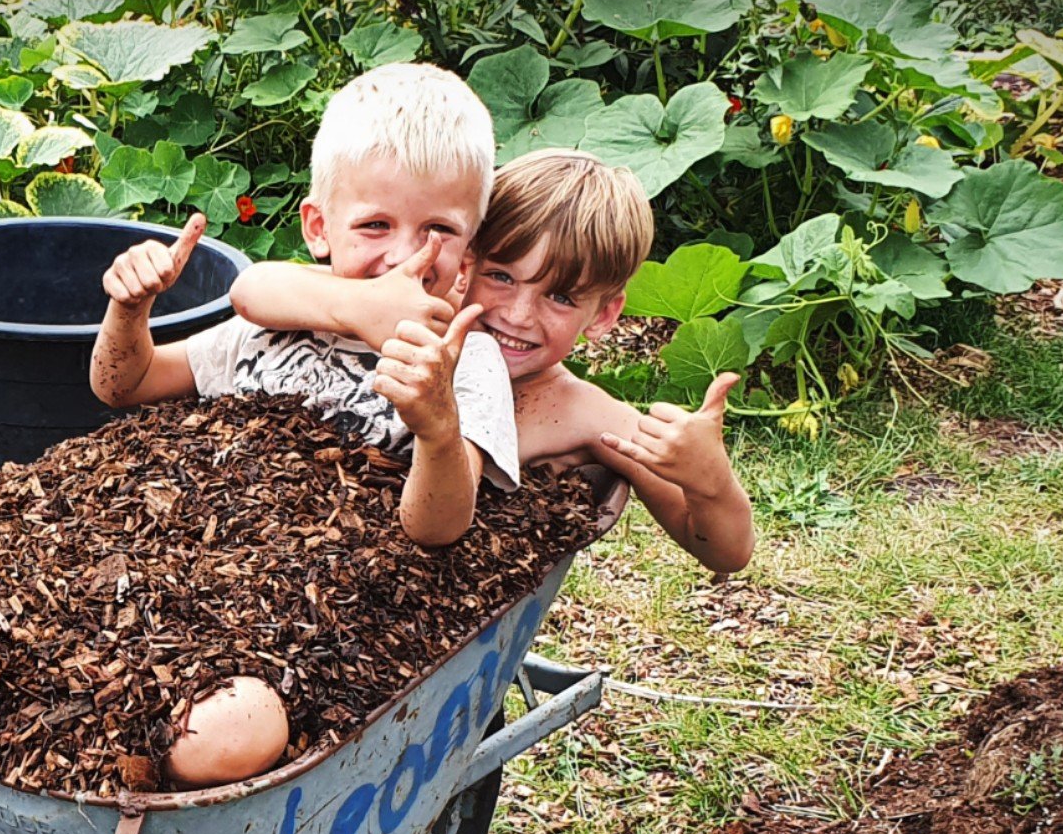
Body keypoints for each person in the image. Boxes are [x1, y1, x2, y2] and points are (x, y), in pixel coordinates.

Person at [228, 147, 755, 574]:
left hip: (419, 578)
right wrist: (353, 304)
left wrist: (710, 482)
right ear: (468, 261)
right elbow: (259, 285)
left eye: (562, 297)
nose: (519, 315)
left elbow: (723, 552)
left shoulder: (588, 416)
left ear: (604, 313)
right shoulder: (421, 314)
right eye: (502, 277)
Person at [88, 61, 517, 552]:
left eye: (439, 229)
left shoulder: (465, 362)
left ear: (469, 251)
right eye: (375, 225)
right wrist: (130, 308)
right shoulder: (280, 328)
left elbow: (436, 529)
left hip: (343, 601)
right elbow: (126, 384)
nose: (404, 255)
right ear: (318, 228)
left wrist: (439, 429)